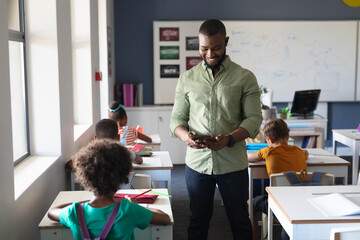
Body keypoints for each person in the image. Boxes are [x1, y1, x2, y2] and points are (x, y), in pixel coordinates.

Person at [170, 19, 262, 240]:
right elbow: (176, 119)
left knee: (239, 220)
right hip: (197, 163)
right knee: (197, 222)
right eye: (204, 48)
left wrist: (229, 138)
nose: (210, 53)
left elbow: (254, 119)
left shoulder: (244, 77)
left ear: (226, 42)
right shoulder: (187, 79)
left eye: (216, 48)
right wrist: (186, 137)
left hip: (233, 163)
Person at [48, 139, 171, 240]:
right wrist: (136, 204)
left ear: (86, 177)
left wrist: (82, 203)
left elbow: (52, 212)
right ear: (122, 177)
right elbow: (165, 218)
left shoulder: (74, 212)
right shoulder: (128, 209)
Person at [247, 118, 308, 240]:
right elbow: (306, 153)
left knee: (249, 203)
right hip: (301, 203)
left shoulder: (268, 152)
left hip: (277, 205)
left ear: (269, 140)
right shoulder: (299, 152)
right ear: (287, 136)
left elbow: (248, 157)